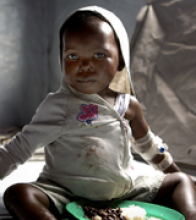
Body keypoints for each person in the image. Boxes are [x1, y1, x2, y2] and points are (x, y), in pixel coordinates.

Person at [1, 5, 196, 220]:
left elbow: (148, 145)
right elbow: (19, 148)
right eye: (73, 56)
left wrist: (173, 171)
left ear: (120, 59)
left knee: (183, 180)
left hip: (123, 191)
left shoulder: (128, 105)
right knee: (18, 193)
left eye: (99, 54)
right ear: (61, 60)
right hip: (66, 193)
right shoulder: (59, 106)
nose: (85, 65)